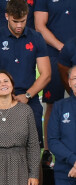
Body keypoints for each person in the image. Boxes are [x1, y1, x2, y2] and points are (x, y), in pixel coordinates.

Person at [0, 0, 54, 185]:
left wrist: (28, 95)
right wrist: (6, 97)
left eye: (23, 21)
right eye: (15, 21)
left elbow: (45, 74)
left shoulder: (36, 37)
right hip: (0, 101)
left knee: (34, 152)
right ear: (6, 17)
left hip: (27, 99)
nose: (20, 26)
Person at [35, 0, 76, 168]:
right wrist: (62, 47)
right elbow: (39, 25)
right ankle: (48, 150)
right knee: (52, 104)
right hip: (54, 53)